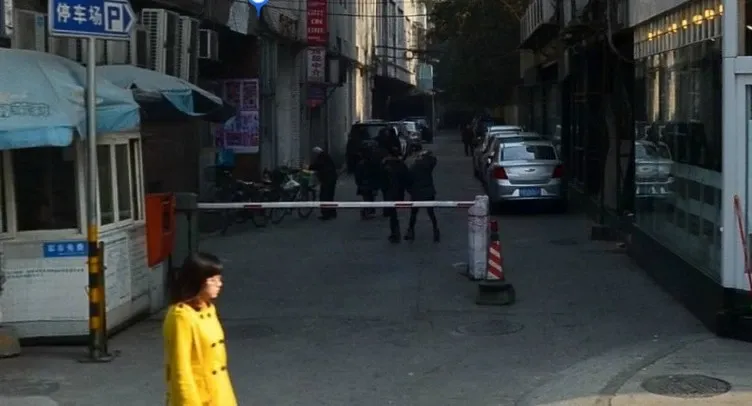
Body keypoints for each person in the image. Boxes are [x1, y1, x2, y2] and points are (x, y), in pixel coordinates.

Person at [163, 252, 237, 406]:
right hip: (198, 398)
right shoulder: (181, 316)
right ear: (197, 282)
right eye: (212, 280)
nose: (219, 284)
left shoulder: (208, 308)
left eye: (219, 279)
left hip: (219, 395)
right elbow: (180, 368)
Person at [406, 150, 440, 242]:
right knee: (431, 213)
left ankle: (411, 231)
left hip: (416, 192)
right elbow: (434, 160)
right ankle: (435, 230)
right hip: (428, 191)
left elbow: (408, 180)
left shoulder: (413, 167)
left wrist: (410, 191)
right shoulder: (428, 166)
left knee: (413, 213)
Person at [382, 146, 411, 243]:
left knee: (392, 213)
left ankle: (395, 233)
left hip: (389, 192)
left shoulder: (385, 164)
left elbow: (380, 177)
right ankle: (397, 232)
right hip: (399, 191)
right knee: (394, 213)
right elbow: (407, 178)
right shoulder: (401, 164)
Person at [309, 146, 338, 220]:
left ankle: (326, 214)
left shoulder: (322, 157)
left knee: (324, 197)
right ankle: (332, 213)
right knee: (330, 196)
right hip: (331, 179)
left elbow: (318, 165)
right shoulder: (326, 156)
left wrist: (309, 167)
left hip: (327, 179)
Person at [354, 143, 380, 219]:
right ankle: (369, 212)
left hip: (364, 184)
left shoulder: (361, 163)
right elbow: (376, 174)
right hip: (370, 184)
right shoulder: (373, 162)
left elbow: (358, 176)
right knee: (370, 199)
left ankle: (367, 212)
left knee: (367, 199)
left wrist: (359, 183)